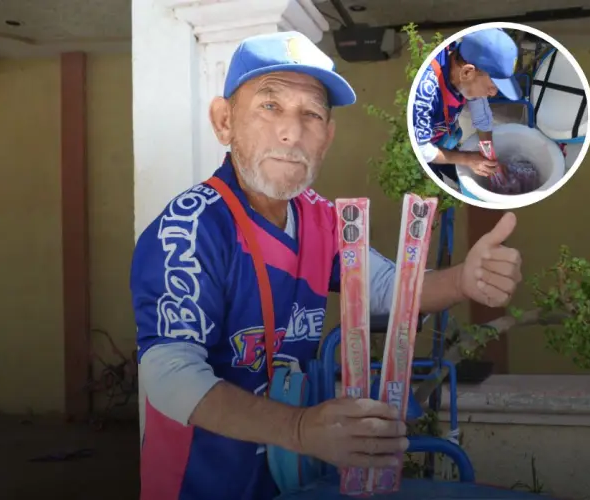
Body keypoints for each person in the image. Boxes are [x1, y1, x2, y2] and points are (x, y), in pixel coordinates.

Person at [131, 30, 523, 500]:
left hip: (288, 481)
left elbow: (389, 289)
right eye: (269, 106)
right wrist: (300, 429)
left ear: (328, 136)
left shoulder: (324, 219)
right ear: (224, 122)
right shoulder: (190, 229)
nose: (291, 132)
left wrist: (463, 279)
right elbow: (169, 375)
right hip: (197, 485)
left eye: (311, 114)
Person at [411, 28, 522, 186]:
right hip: (423, 149)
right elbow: (421, 149)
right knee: (435, 194)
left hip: (446, 140)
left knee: (461, 178)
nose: (493, 93)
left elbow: (481, 117)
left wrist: (490, 159)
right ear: (467, 73)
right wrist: (468, 159)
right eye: (493, 86)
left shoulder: (463, 68)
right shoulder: (424, 92)